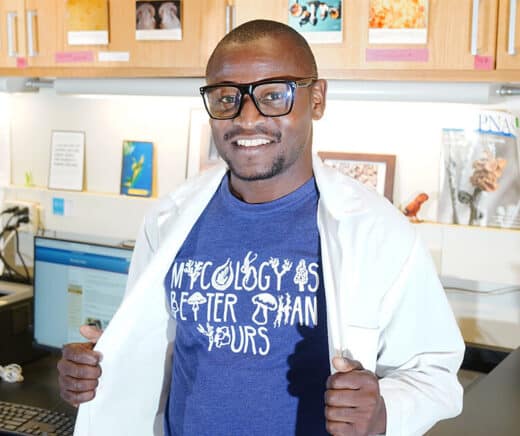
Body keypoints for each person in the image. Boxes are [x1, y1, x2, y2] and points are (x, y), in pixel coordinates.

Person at [58, 19, 464, 436]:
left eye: (274, 95)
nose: (247, 117)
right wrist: (95, 370)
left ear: (318, 99)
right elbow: (149, 345)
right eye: (226, 97)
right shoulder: (171, 217)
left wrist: (384, 413)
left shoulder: (379, 232)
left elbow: (435, 375)